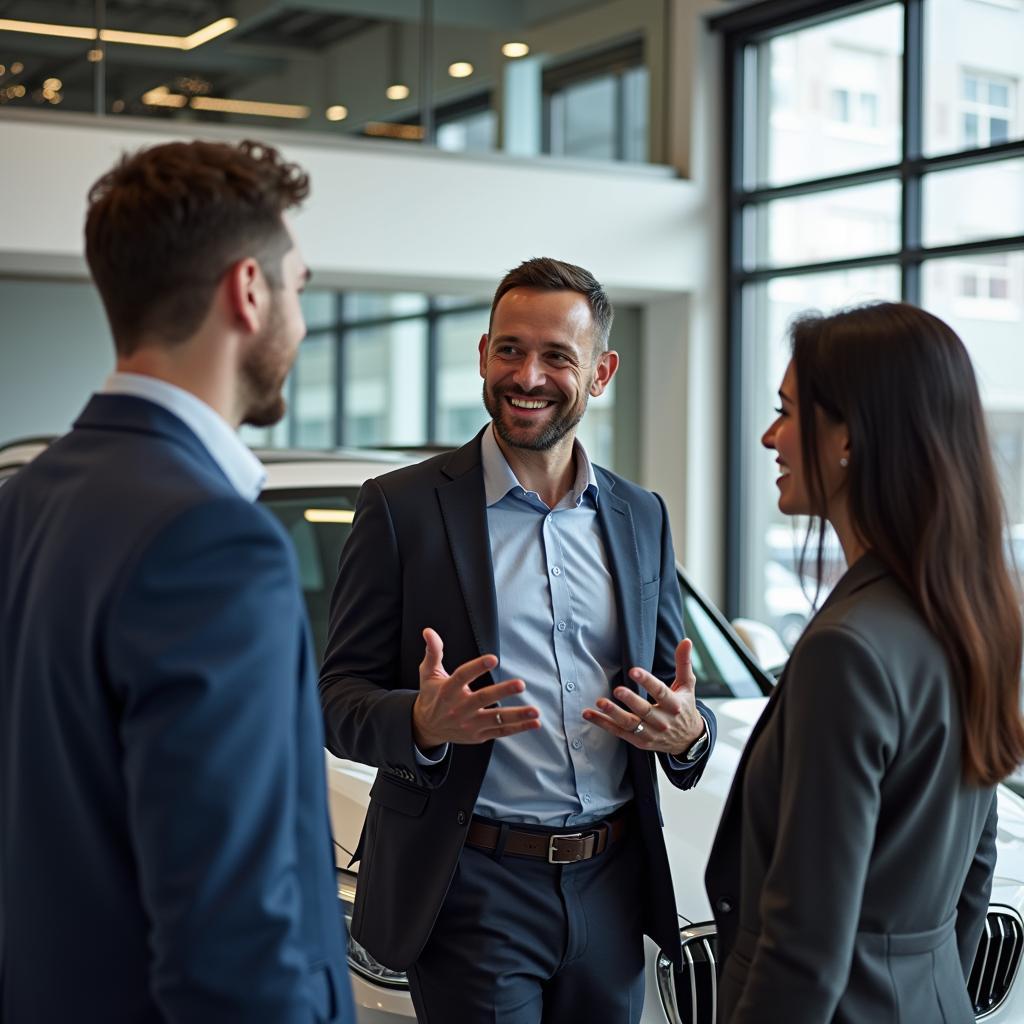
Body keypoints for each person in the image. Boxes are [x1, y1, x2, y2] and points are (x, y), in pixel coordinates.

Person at [0, 140, 354, 1023]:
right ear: (248, 291)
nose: (302, 322)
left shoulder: (26, 502)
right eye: (299, 287)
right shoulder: (214, 541)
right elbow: (233, 936)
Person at [319, 256, 716, 1023]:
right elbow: (336, 698)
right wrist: (422, 722)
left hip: (611, 884)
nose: (526, 375)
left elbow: (675, 697)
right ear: (482, 354)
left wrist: (689, 734)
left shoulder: (641, 517)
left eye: (556, 356)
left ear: (600, 372)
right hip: (474, 887)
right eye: (509, 349)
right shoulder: (401, 511)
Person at [705, 301, 1024, 1023]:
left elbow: (804, 947)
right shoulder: (968, 616)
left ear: (848, 437)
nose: (769, 436)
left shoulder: (846, 650)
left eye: (788, 412)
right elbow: (973, 878)